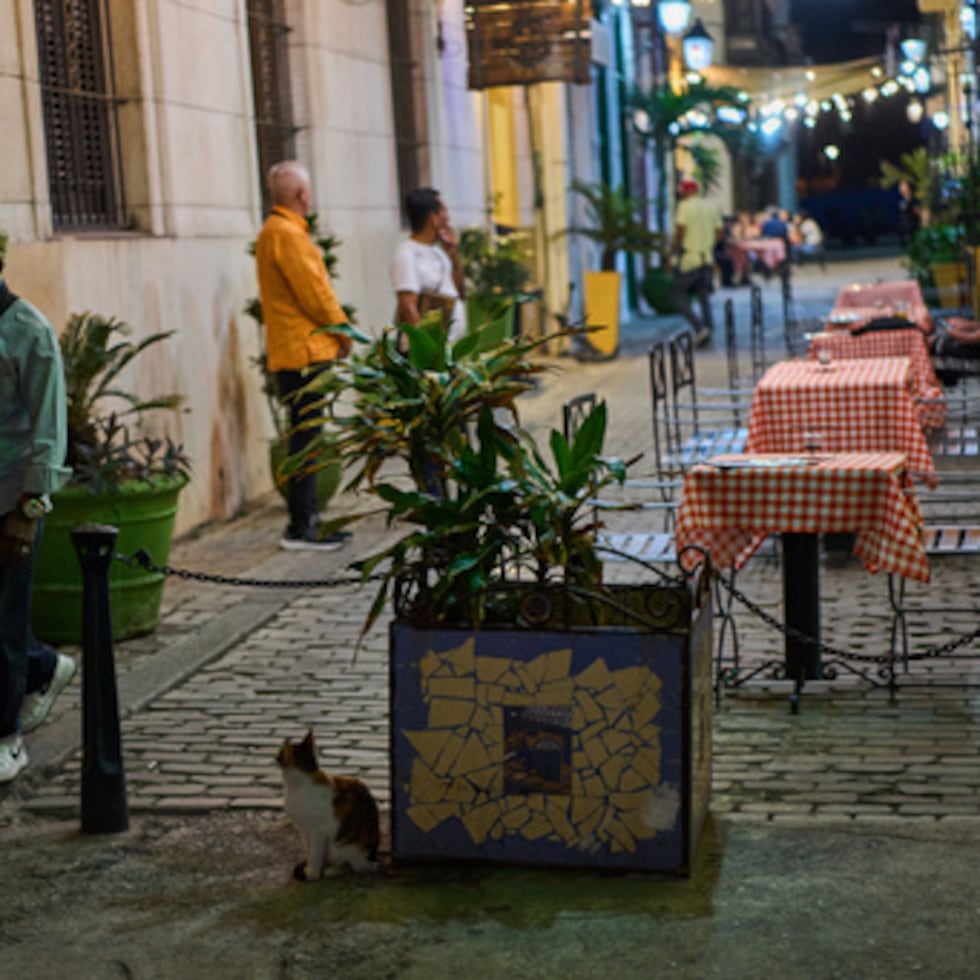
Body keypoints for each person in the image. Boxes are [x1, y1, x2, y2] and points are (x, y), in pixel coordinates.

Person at [0, 239, 76, 784]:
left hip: (10, 499)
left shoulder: (29, 331)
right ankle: (45, 666)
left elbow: (49, 433)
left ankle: (6, 738)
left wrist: (28, 510)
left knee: (3, 625)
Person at [254, 161, 353, 551]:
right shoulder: (288, 234)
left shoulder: (273, 232)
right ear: (302, 195)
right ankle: (301, 525)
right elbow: (314, 292)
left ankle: (308, 518)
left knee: (305, 435)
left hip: (294, 349)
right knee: (306, 437)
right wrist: (341, 329)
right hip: (305, 350)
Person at [390, 187, 466, 344]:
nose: (448, 218)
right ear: (433, 218)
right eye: (443, 211)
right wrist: (426, 347)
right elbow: (408, 306)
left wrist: (453, 254)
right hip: (427, 353)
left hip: (448, 346)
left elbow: (459, 291)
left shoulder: (439, 252)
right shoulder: (406, 254)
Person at [669, 178, 723, 347]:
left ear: (685, 192)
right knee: (703, 295)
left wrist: (672, 253)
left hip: (690, 259)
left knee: (677, 295)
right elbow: (719, 234)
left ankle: (699, 328)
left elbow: (679, 232)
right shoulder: (711, 206)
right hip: (706, 258)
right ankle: (708, 327)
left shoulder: (684, 207)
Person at [897, 180, 921, 246]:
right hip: (902, 226)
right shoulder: (899, 199)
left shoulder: (914, 200)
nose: (901, 188)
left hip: (911, 226)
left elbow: (917, 212)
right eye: (900, 186)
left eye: (903, 186)